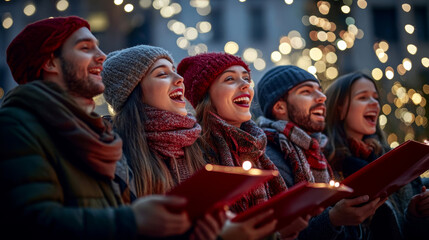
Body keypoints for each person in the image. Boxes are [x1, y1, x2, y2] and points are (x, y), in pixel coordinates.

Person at [0, 16, 192, 239]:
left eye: (98, 47)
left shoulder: (100, 136)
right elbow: (33, 222)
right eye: (85, 48)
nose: (101, 56)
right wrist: (134, 220)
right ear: (50, 62)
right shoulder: (16, 127)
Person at [178, 53, 310, 240]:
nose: (245, 84)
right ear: (206, 95)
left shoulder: (258, 149)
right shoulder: (193, 153)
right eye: (230, 78)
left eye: (246, 78)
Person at [101, 44, 225, 239]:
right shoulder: (112, 156)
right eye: (162, 74)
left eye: (174, 71)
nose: (180, 79)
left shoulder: (199, 144)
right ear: (134, 92)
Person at [256, 65, 385, 240]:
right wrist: (333, 219)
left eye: (320, 91)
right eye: (307, 92)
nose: (322, 97)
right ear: (280, 107)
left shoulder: (320, 151)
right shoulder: (268, 159)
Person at [323, 72, 429, 239]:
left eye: (375, 98)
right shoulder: (325, 165)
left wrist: (417, 213)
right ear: (339, 108)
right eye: (363, 97)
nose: (374, 103)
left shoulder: (392, 157)